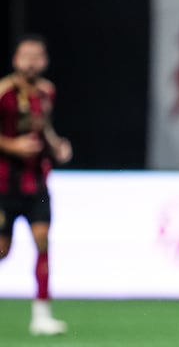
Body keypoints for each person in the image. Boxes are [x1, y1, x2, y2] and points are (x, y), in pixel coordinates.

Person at [0, 34, 72, 336]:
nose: (31, 62)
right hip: (4, 185)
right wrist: (12, 146)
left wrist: (57, 146)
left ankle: (41, 315)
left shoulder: (46, 92)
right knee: (2, 250)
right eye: (25, 56)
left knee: (42, 241)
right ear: (16, 59)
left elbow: (46, 130)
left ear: (44, 61)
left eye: (36, 56)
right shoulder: (3, 92)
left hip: (37, 183)